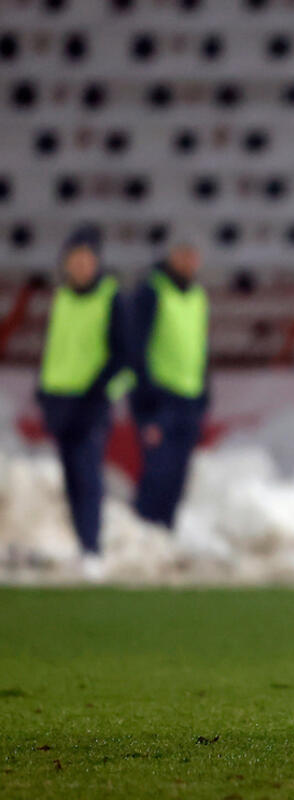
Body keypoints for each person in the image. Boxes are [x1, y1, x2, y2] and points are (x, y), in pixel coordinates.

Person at [36, 225, 129, 573]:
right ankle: (80, 545)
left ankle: (92, 549)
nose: (80, 266)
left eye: (87, 260)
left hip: (90, 403)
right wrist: (44, 391)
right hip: (60, 399)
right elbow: (55, 348)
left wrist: (100, 394)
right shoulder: (61, 297)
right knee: (71, 478)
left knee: (89, 476)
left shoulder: (111, 296)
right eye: (75, 260)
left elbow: (124, 356)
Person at [128, 241, 209, 529]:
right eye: (183, 254)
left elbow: (200, 349)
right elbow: (136, 348)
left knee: (177, 478)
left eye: (193, 255)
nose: (189, 261)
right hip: (159, 400)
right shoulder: (151, 291)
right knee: (157, 474)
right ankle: (143, 535)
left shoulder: (198, 296)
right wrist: (145, 403)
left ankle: (164, 537)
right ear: (171, 255)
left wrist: (203, 398)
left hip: (189, 400)